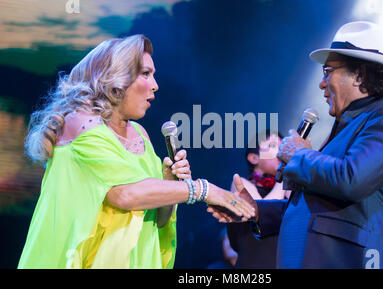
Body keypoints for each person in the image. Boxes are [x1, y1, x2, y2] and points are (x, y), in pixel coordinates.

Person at [19, 34, 255, 269]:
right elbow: (124, 195)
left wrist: (168, 181)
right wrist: (205, 190)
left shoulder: (140, 133)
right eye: (145, 74)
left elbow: (160, 220)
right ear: (114, 77)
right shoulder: (79, 122)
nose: (155, 85)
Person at [208, 21, 383, 269]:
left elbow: (352, 178)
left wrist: (299, 154)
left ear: (360, 75)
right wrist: (256, 210)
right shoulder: (349, 126)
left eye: (328, 71)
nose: (322, 83)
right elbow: (318, 208)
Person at [224, 130, 290, 268]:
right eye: (273, 146)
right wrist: (284, 174)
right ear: (254, 158)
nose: (281, 151)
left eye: (282, 146)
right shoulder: (241, 185)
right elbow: (261, 210)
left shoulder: (288, 186)